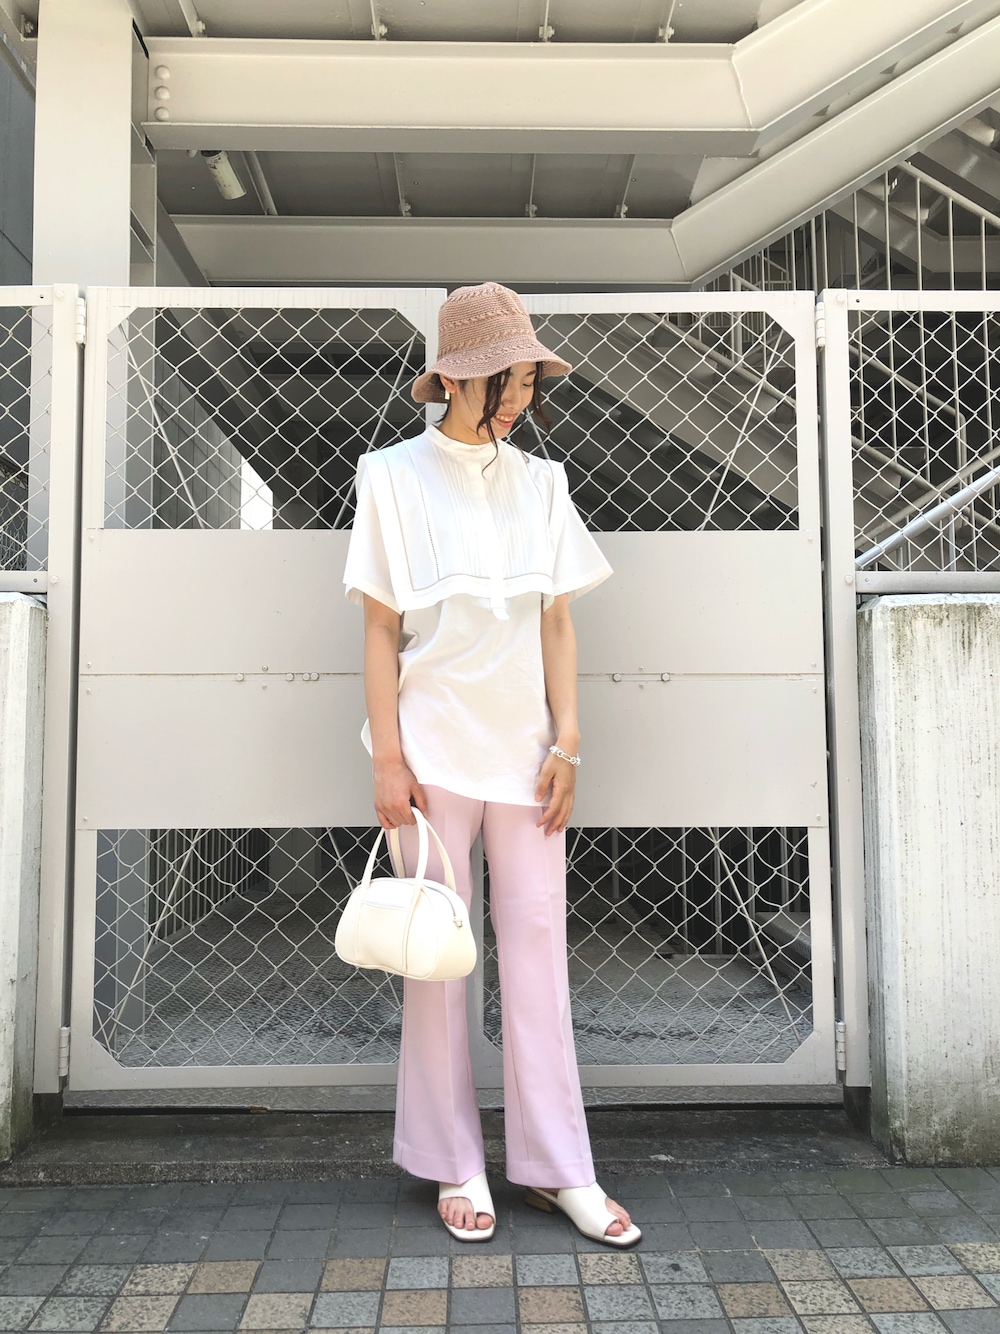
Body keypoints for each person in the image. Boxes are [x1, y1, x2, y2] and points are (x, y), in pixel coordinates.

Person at [343, 282, 640, 1247]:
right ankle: (453, 1161)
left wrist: (569, 741)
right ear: (456, 380)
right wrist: (388, 760)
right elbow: (379, 631)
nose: (518, 399)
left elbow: (557, 621)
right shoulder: (390, 476)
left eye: (527, 382)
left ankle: (561, 1168)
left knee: (539, 953)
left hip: (526, 757)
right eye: (503, 382)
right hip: (430, 751)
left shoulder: (543, 483)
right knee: (436, 960)